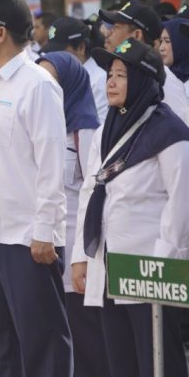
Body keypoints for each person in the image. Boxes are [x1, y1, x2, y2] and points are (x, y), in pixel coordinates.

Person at [0, 0, 72, 377]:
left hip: (26, 238)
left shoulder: (37, 84)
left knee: (42, 340)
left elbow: (51, 163)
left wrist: (45, 230)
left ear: (1, 33)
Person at [71, 38, 189, 377]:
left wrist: (162, 265)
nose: (111, 81)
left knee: (158, 363)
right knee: (119, 362)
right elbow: (91, 190)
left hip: (148, 270)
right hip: (111, 268)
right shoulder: (108, 127)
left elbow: (181, 204)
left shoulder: (170, 132)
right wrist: (82, 255)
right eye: (110, 73)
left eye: (121, 74)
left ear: (142, 80)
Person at [36, 52, 110, 377]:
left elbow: (94, 196)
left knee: (88, 340)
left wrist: (84, 256)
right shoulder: (38, 128)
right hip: (46, 250)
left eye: (51, 80)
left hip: (78, 255)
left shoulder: (87, 133)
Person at [99, 0, 189, 124]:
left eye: (116, 28)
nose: (109, 33)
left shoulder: (163, 81)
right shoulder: (120, 75)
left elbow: (180, 133)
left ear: (136, 35)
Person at [41, 16, 110, 122]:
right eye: (51, 52)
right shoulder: (56, 75)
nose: (54, 56)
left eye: (60, 51)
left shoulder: (99, 80)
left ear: (81, 48)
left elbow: (99, 128)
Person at [159, 18, 189, 98]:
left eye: (167, 41)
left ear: (183, 43)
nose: (161, 48)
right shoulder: (162, 77)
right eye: (161, 41)